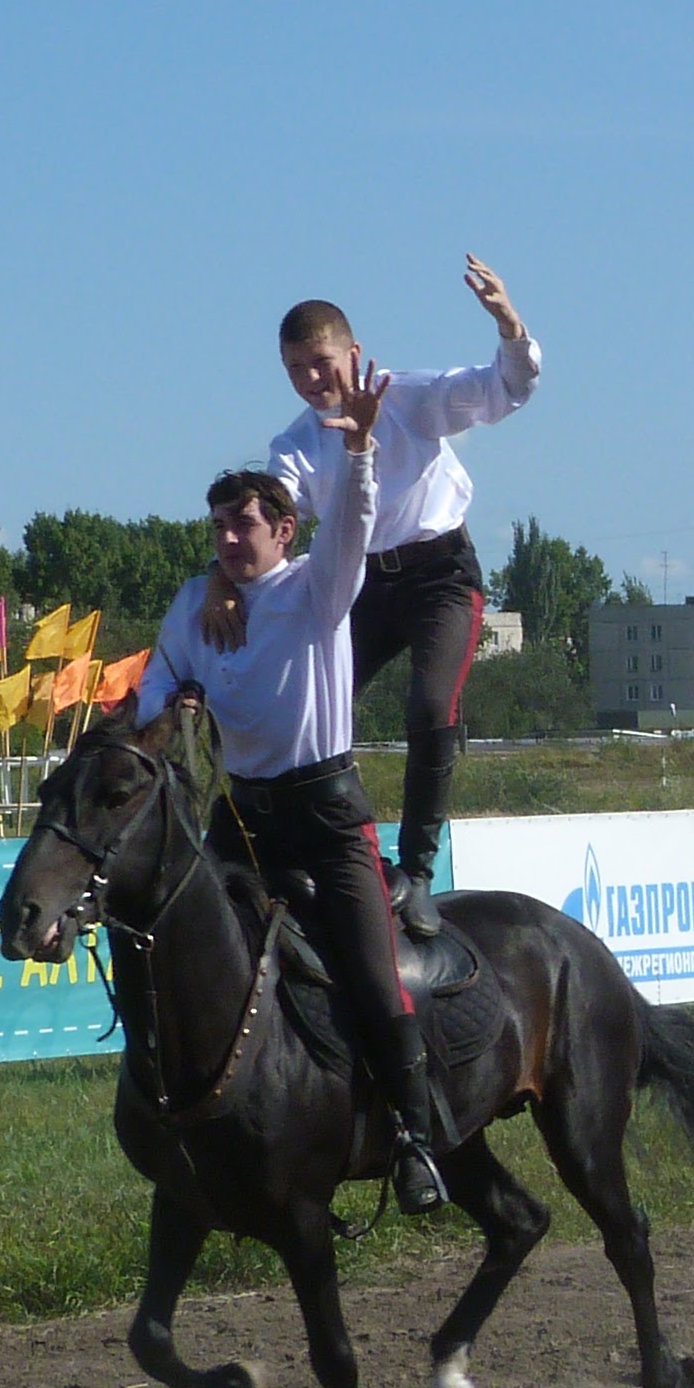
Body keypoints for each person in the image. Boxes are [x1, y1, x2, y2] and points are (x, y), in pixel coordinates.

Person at [130, 363, 462, 1216]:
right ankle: (181, 1112)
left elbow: (352, 521)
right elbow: (156, 686)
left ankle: (416, 1138)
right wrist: (171, 709)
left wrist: (360, 450)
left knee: (372, 975)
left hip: (327, 817)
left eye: (243, 525)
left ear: (284, 530)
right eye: (217, 528)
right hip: (239, 818)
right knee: (175, 946)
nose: (228, 540)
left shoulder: (320, 587)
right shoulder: (194, 603)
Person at [264, 255, 539, 938]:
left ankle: (416, 871)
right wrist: (228, 579)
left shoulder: (410, 397)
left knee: (429, 707)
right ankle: (321, 848)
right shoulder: (296, 445)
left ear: (354, 354)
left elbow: (504, 389)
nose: (311, 380)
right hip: (359, 583)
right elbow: (274, 516)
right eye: (295, 369)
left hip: (439, 575)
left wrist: (509, 325)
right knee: (307, 706)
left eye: (321, 363)